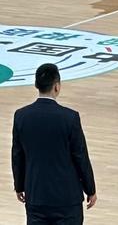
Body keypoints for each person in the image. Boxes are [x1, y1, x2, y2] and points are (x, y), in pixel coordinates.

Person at [12, 63, 97, 224]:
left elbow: (18, 155)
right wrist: (90, 189)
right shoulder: (70, 118)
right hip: (67, 199)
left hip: (36, 195)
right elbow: (80, 157)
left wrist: (19, 185)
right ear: (57, 86)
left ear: (36, 85)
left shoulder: (21, 116)